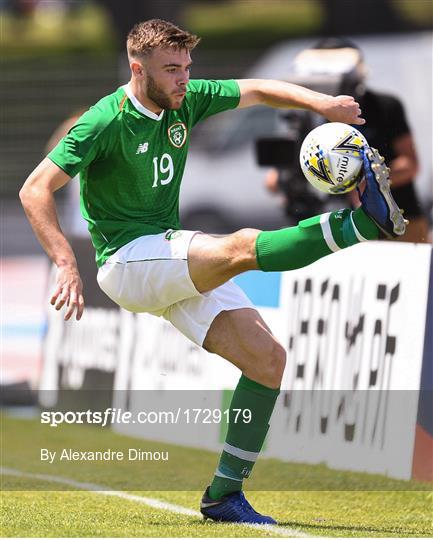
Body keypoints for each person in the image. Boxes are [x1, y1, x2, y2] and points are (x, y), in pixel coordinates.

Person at [20, 19, 406, 525]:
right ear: (139, 70)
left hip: (165, 257)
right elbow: (35, 189)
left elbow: (258, 89)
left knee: (267, 360)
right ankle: (363, 222)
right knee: (242, 246)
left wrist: (322, 104)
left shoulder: (185, 98)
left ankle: (224, 495)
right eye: (171, 70)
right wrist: (67, 264)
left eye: (187, 68)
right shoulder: (104, 121)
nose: (184, 79)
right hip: (127, 262)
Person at [267, 38, 429, 242]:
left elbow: (409, 164)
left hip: (396, 220)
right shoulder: (304, 117)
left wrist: (370, 183)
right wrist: (292, 181)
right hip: (329, 224)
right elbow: (274, 180)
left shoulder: (383, 106)